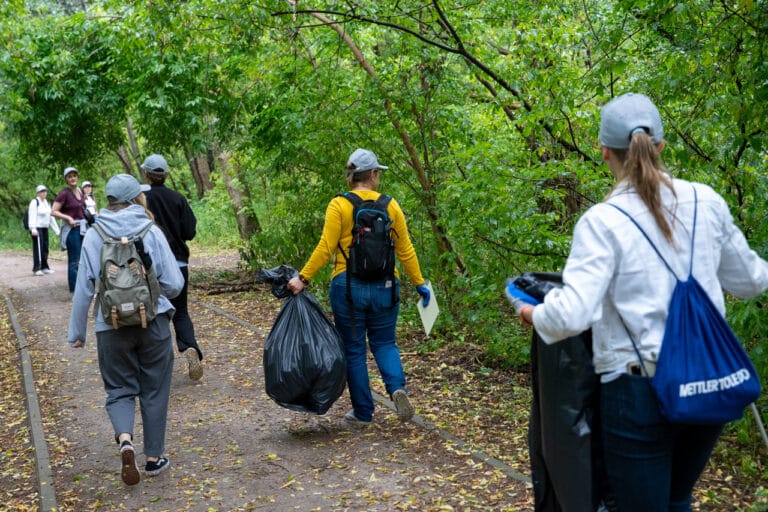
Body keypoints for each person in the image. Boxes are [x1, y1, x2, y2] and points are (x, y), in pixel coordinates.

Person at [510, 93, 768, 511]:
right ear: (661, 144)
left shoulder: (602, 222)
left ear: (604, 152)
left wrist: (529, 311)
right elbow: (753, 281)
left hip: (638, 390)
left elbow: (571, 315)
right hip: (708, 385)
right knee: (677, 497)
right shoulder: (708, 202)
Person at [286, 148, 431, 427]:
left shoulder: (339, 205)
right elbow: (405, 249)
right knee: (385, 342)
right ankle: (397, 388)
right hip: (386, 287)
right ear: (374, 175)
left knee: (354, 349)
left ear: (350, 177)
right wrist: (420, 283)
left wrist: (302, 279)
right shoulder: (391, 205)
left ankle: (363, 414)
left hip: (347, 286)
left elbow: (326, 247)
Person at [67, 173, 184, 486]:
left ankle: (125, 440)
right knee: (155, 389)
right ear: (137, 198)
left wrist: (76, 332)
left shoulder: (94, 235)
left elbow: (84, 290)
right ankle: (154, 457)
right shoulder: (151, 231)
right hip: (154, 322)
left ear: (108, 201)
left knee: (119, 389)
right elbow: (174, 285)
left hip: (111, 325)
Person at [140, 154, 203, 381]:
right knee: (181, 312)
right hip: (179, 264)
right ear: (165, 175)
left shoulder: (141, 199)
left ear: (146, 174)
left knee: (155, 316)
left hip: (150, 268)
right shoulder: (177, 198)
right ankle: (189, 347)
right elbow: (190, 232)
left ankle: (157, 366)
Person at [51, 167, 87, 293]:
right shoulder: (64, 193)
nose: (72, 178)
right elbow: (53, 211)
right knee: (74, 261)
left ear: (77, 177)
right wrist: (68, 218)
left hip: (83, 229)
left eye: (74, 175)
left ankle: (82, 288)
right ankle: (75, 290)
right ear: (66, 180)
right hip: (72, 231)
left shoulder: (80, 191)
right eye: (69, 176)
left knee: (83, 260)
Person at [28, 185, 61, 276]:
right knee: (38, 249)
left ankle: (44, 267)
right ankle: (36, 268)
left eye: (45, 191)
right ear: (38, 193)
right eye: (41, 191)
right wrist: (32, 228)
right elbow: (32, 215)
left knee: (45, 248)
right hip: (37, 229)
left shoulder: (47, 203)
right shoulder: (34, 202)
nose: (44, 193)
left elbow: (51, 217)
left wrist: (57, 230)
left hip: (45, 228)